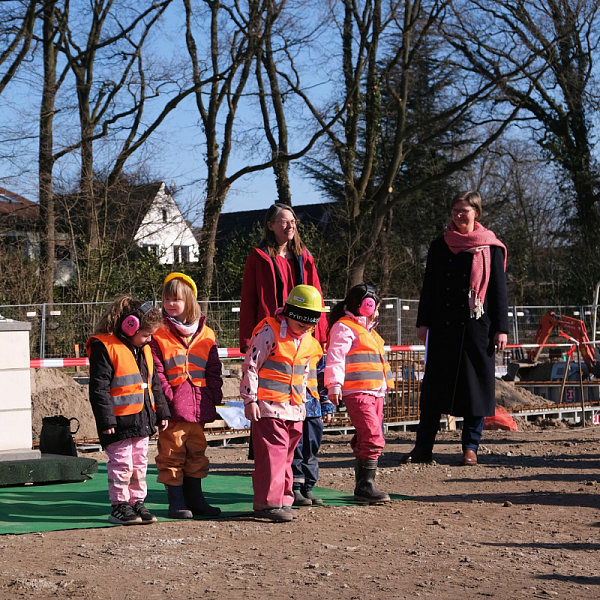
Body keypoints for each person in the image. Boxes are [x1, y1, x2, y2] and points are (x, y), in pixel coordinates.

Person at [401, 191, 508, 466]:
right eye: (455, 211)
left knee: (475, 388)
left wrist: (501, 329)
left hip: (477, 327)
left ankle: (470, 447)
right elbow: (430, 288)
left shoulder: (491, 248)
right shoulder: (439, 246)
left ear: (477, 213)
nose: (459, 215)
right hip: (442, 326)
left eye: (465, 211)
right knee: (434, 390)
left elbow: (498, 292)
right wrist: (423, 322)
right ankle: (423, 447)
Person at [239, 202, 331, 505]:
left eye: (292, 222)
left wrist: (321, 336)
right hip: (271, 338)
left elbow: (316, 297)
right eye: (283, 222)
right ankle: (275, 492)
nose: (289, 227)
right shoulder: (259, 258)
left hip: (303, 344)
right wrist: (247, 339)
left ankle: (303, 483)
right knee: (273, 422)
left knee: (306, 417)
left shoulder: (305, 258)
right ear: (270, 225)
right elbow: (249, 298)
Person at [241, 284, 328, 522]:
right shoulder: (268, 332)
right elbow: (251, 366)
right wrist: (250, 400)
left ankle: (283, 500)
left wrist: (312, 402)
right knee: (273, 457)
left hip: (295, 409)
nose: (305, 329)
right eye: (301, 324)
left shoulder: (307, 340)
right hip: (269, 408)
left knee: (287, 457)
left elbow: (306, 375)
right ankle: (268, 504)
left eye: (310, 325)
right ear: (289, 313)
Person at [87, 296, 170, 525]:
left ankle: (136, 502)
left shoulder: (142, 350)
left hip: (141, 419)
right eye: (146, 335)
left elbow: (154, 384)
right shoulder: (104, 347)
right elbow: (99, 389)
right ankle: (119, 505)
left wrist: (162, 413)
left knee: (139, 463)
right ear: (129, 326)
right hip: (119, 422)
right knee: (122, 464)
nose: (149, 339)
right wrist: (107, 421)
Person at [150, 272, 223, 519]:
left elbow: (214, 368)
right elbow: (157, 371)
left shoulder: (207, 333)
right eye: (166, 298)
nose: (170, 303)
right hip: (174, 407)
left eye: (176, 299)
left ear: (189, 300)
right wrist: (166, 401)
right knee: (171, 454)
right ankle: (176, 501)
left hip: (198, 404)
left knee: (197, 452)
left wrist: (214, 394)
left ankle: (196, 498)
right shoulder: (158, 333)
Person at [324, 284, 394, 504]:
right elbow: (335, 356)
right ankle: (365, 486)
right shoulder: (344, 328)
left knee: (369, 436)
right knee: (374, 437)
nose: (378, 312)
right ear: (366, 306)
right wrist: (334, 384)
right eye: (377, 307)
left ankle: (364, 485)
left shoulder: (368, 331)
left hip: (375, 393)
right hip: (358, 392)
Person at [291, 343, 334, 506]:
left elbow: (322, 377)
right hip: (293, 407)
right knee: (296, 449)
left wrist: (326, 405)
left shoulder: (315, 346)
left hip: (313, 408)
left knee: (311, 449)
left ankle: (307, 487)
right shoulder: (287, 342)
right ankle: (295, 487)